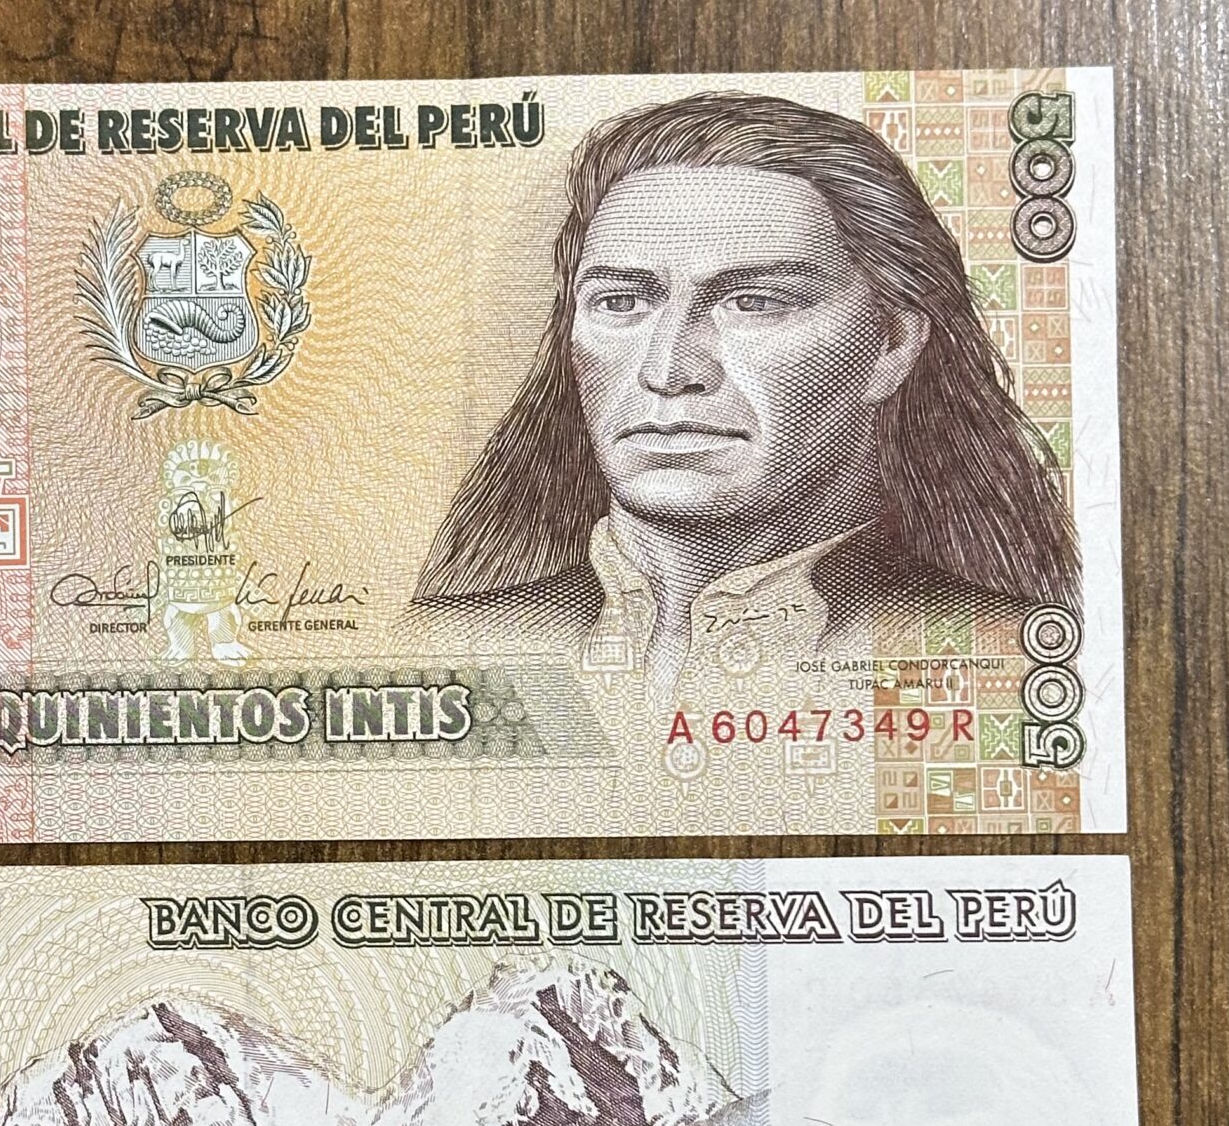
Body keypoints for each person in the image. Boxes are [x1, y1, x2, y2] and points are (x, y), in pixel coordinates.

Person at [412, 92, 1078, 703]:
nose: (668, 370)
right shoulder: (444, 649)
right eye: (621, 302)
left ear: (891, 346)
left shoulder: (1007, 658)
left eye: (754, 302)